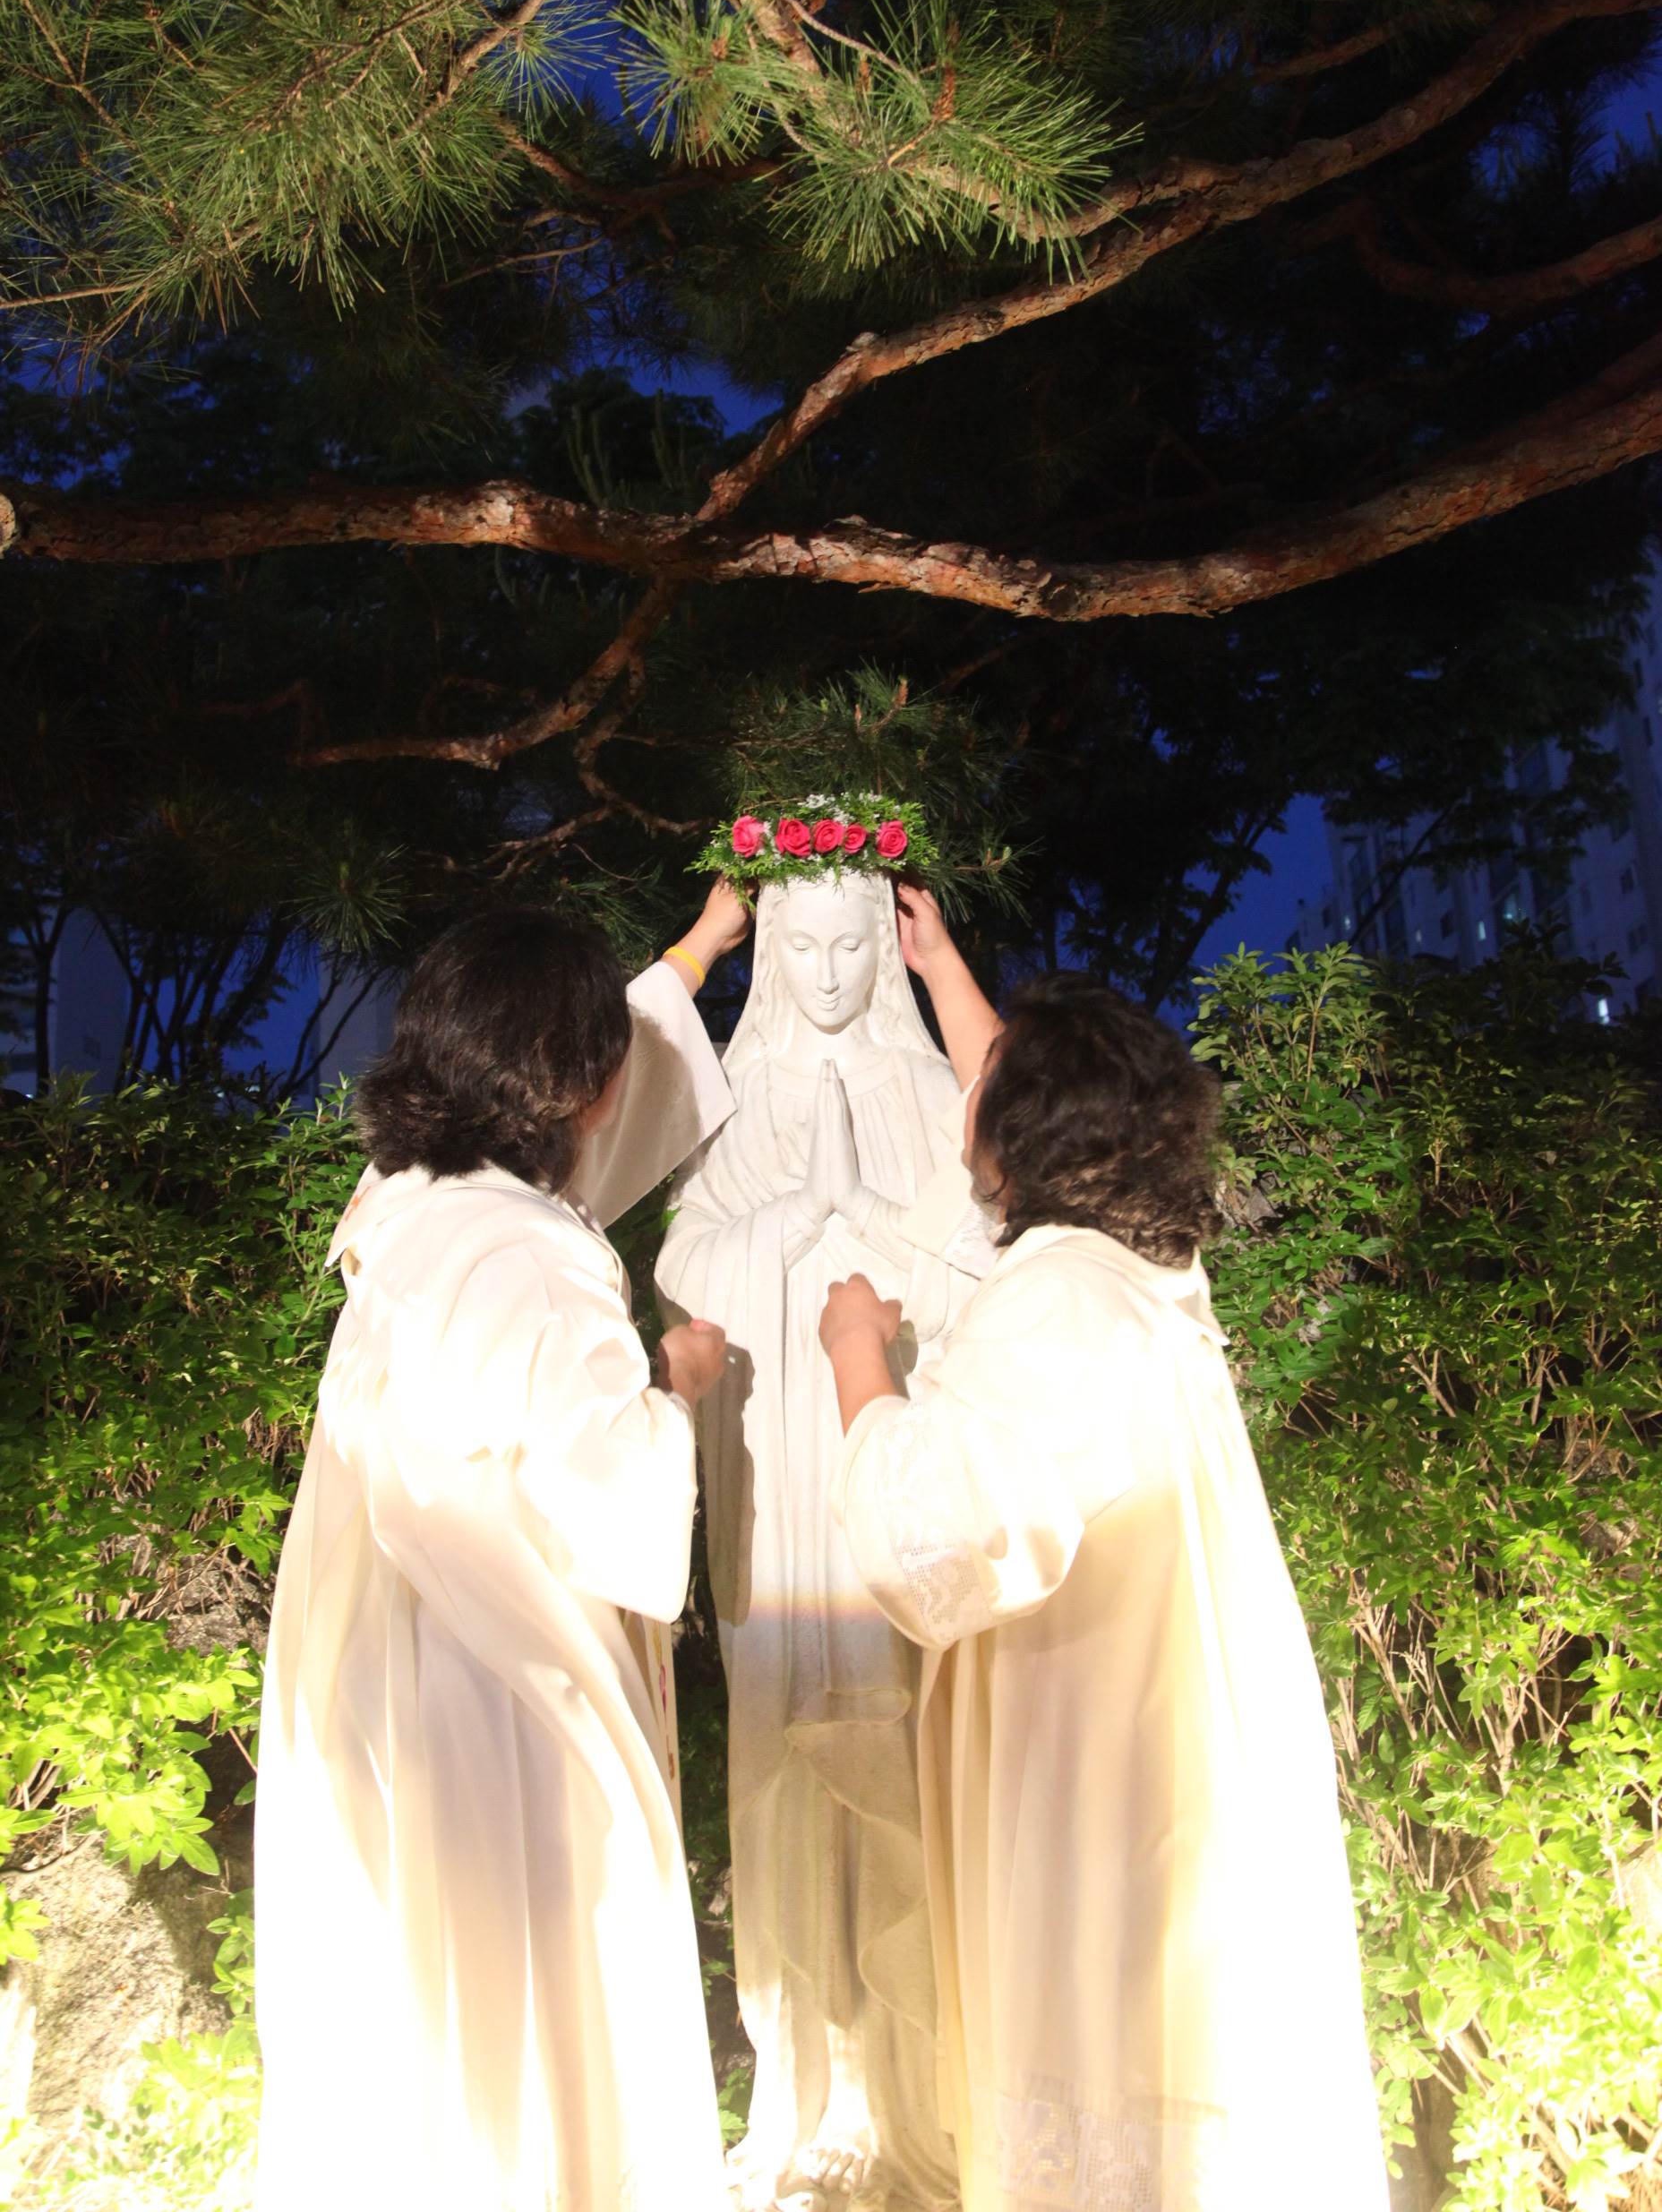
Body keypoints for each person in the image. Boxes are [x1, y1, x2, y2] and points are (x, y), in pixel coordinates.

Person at [821, 900, 1391, 2212]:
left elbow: (933, 1539)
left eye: (990, 1085)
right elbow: (1013, 1119)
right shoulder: (1140, 1271)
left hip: (1092, 1757)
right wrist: (942, 968)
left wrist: (857, 1359)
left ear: (1024, 1130)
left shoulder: (1063, 1298)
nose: (966, 1098)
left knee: (1102, 2046)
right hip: (1151, 1732)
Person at [254, 887, 749, 2212]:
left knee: (420, 1995)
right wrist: (679, 1387)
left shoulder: (407, 1196)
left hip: (379, 1657)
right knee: (530, 1993)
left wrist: (696, 953)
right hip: (494, 1688)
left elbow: (590, 1107)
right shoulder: (534, 1257)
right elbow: (612, 1503)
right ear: (580, 1079)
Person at [655, 865, 974, 2212]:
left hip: (888, 1457)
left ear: (884, 955)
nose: (834, 975)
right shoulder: (736, 1096)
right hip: (777, 1476)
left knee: (912, 1739)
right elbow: (683, 1268)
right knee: (787, 1749)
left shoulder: (925, 1088)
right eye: (809, 950)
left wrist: (872, 1219)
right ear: (773, 954)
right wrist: (798, 1214)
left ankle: (922, 2091)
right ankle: (809, 2086)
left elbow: (979, 1261)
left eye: (856, 948)